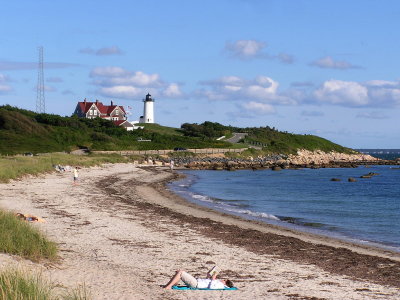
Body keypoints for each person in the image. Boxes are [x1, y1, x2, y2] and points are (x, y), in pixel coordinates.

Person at [163, 269, 234, 289]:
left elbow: (211, 287)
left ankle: (168, 286)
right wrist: (208, 275)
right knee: (179, 271)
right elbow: (207, 283)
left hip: (196, 284)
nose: (222, 279)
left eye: (224, 280)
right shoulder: (218, 282)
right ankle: (170, 285)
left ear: (225, 283)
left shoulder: (220, 285)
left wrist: (213, 278)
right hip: (196, 281)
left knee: (181, 272)